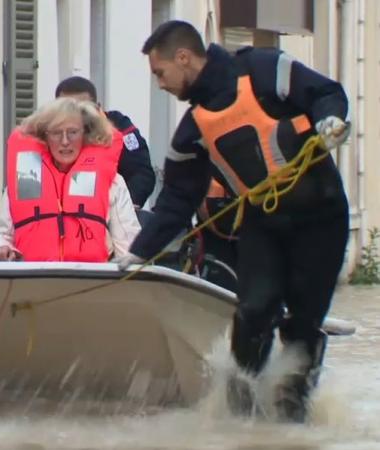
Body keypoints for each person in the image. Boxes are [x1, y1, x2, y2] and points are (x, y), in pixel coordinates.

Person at [118, 20, 350, 422]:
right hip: (264, 223)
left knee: (302, 325)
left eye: (160, 73)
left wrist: (330, 120)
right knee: (253, 311)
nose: (160, 84)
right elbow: (175, 201)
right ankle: (241, 419)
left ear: (184, 58)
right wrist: (138, 254)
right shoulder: (191, 132)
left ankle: (293, 418)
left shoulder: (265, 69)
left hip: (321, 220)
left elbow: (327, 93)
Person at [0, 97, 141, 262]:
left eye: (73, 132)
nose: (65, 141)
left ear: (85, 134)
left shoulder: (113, 182)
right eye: (57, 133)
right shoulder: (26, 179)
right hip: (33, 280)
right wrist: (1, 247)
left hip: (91, 280)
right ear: (44, 137)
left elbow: (129, 246)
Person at [54, 76, 156, 211]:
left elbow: (141, 174)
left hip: (112, 210)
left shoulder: (119, 127)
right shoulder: (48, 132)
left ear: (97, 108)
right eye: (67, 109)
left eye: (83, 109)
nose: (76, 116)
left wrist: (122, 209)